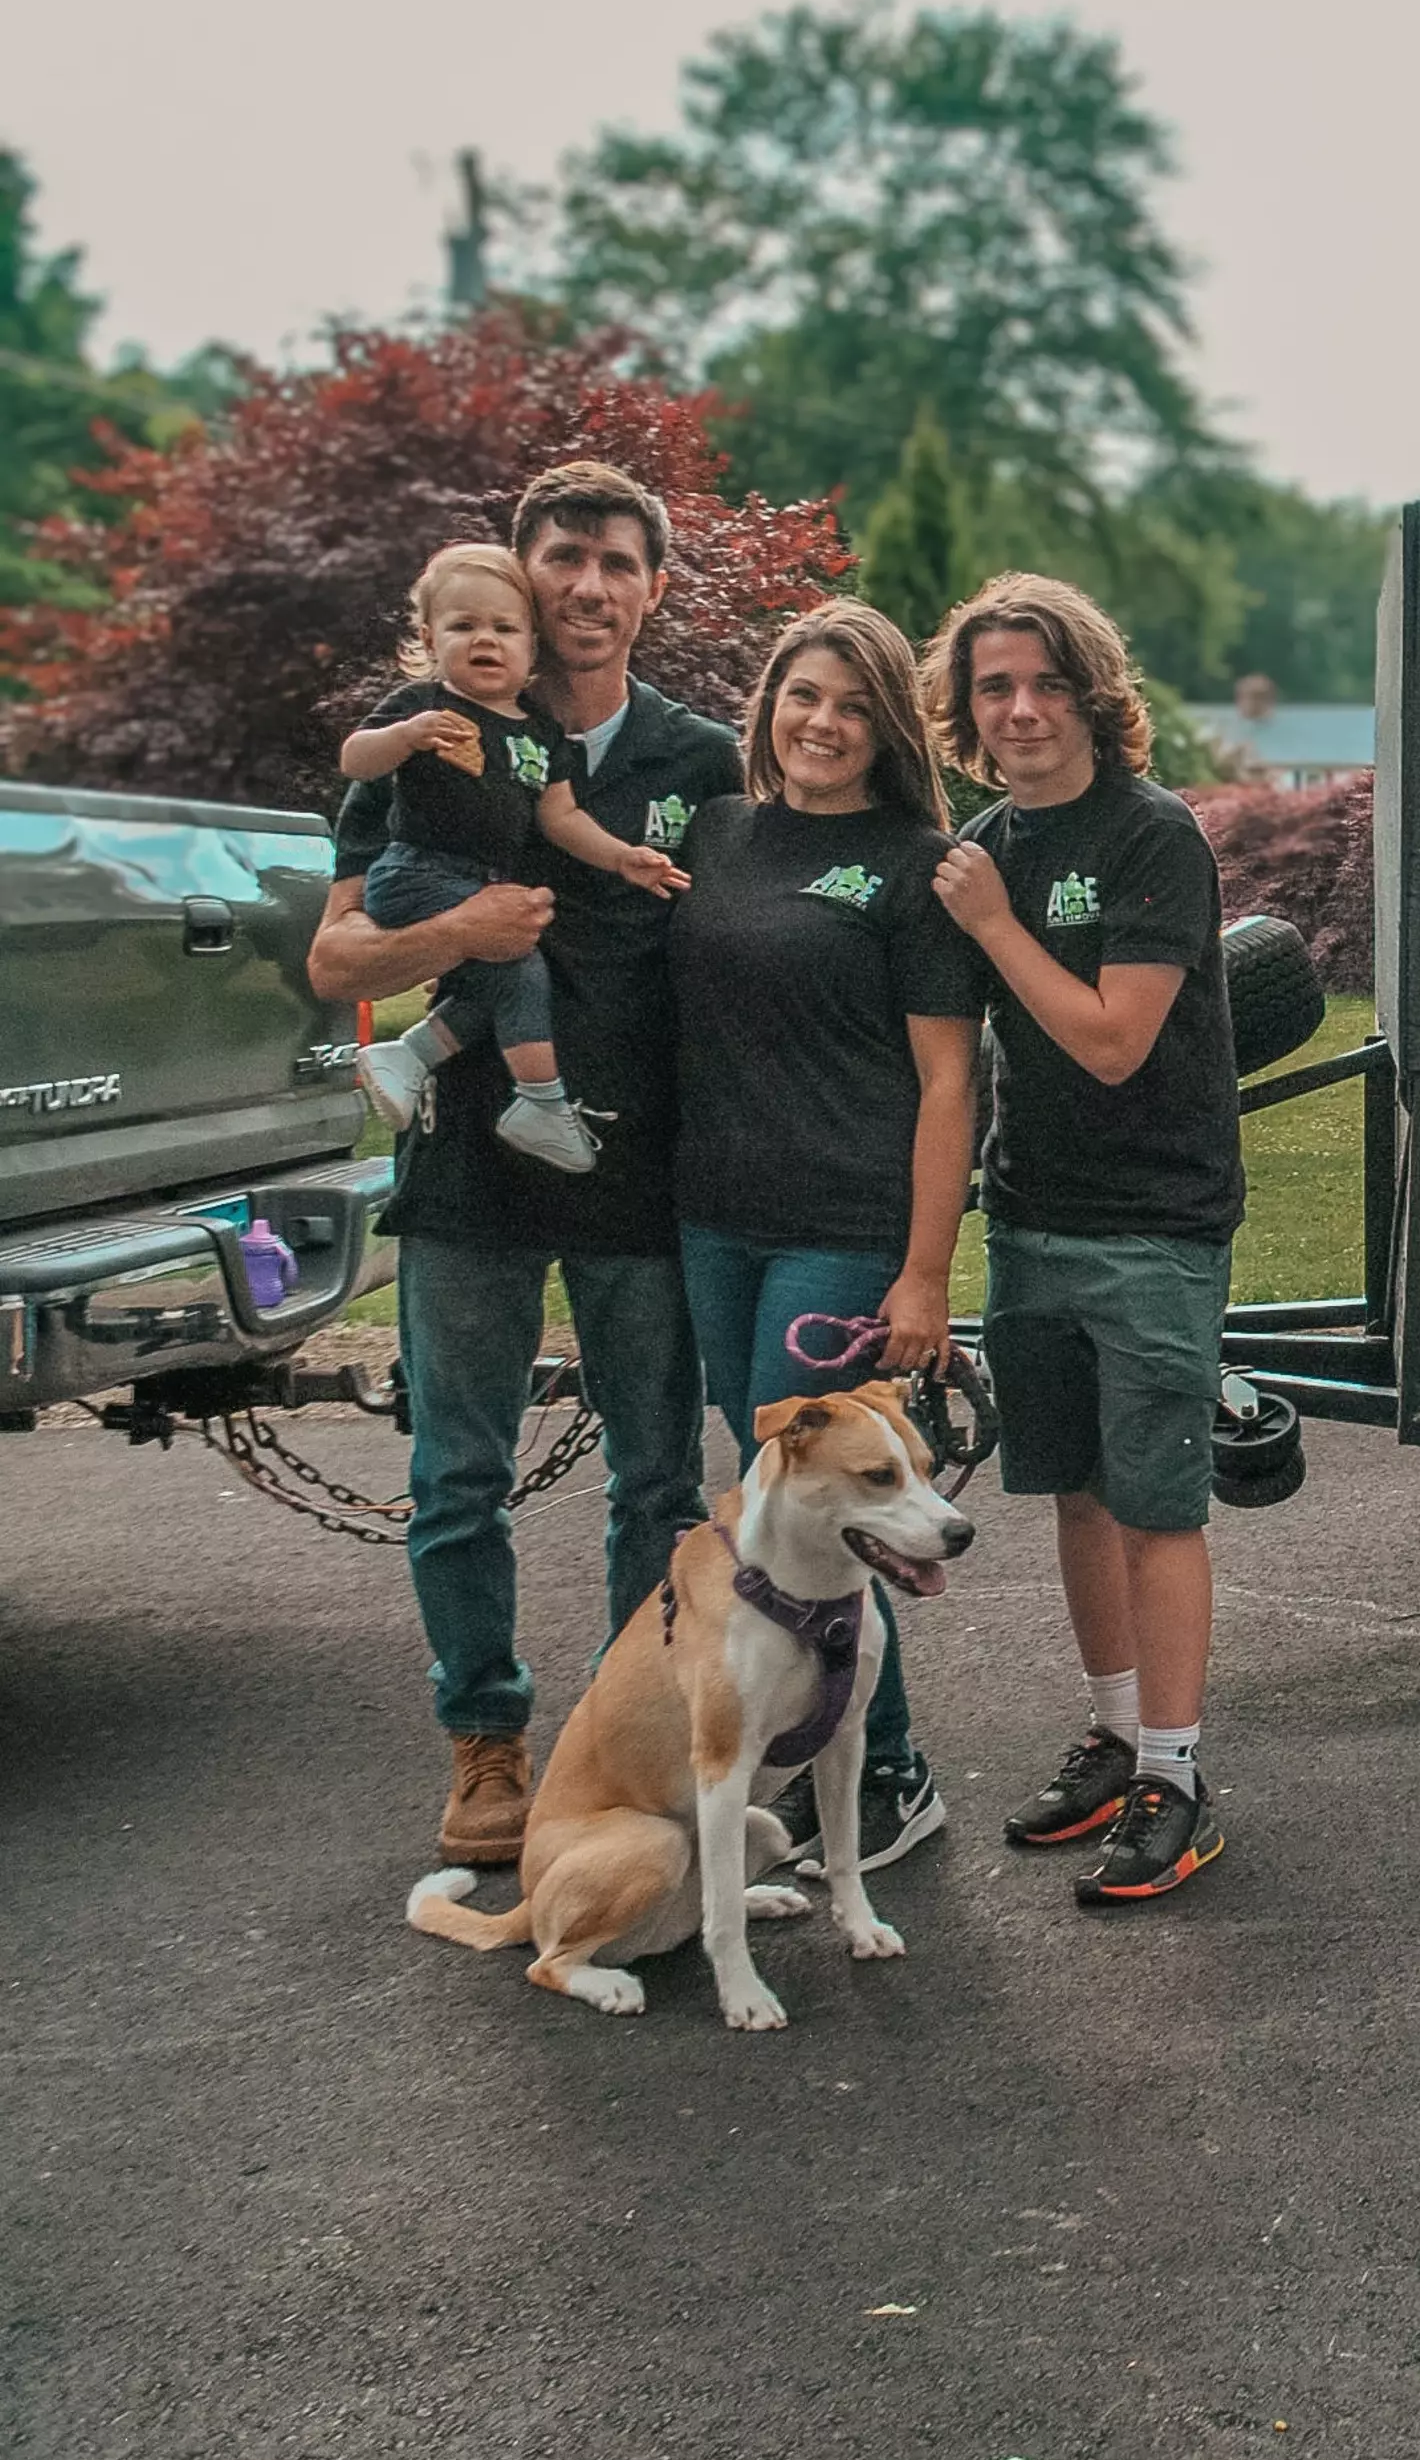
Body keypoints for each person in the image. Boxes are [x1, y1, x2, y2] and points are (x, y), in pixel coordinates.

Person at [310, 462, 732, 1869]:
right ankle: (486, 1741)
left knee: (656, 1483)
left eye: (621, 562)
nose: (591, 585)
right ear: (519, 572)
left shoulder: (704, 760)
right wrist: (465, 931)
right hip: (471, 1178)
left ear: (655, 588)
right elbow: (335, 958)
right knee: (457, 1475)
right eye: (565, 557)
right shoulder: (431, 731)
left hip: (637, 1171)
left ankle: (630, 1731)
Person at [925, 572, 1245, 1907]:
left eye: (1047, 682)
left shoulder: (1149, 834)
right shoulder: (985, 841)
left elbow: (1115, 1041)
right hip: (1035, 1215)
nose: (1022, 708)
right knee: (1074, 1490)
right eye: (994, 686)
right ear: (965, 710)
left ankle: (1177, 1772)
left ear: (1095, 696)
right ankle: (1116, 1735)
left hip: (1152, 1225)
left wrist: (994, 921)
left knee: (1160, 1504)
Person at [669, 599, 976, 1876]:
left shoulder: (916, 866)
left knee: (807, 1494)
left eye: (854, 705)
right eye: (804, 696)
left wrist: (923, 1272)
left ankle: (889, 1771)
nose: (824, 724)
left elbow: (951, 1084)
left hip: (843, 1225)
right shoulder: (719, 832)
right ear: (769, 707)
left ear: (888, 727)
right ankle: (816, 1757)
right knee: (767, 1502)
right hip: (712, 1219)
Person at [343, 542, 692, 1174]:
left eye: (504, 628)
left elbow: (560, 818)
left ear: (532, 644)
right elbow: (354, 759)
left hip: (479, 879)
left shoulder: (537, 732)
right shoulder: (426, 708)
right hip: (418, 872)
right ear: (429, 636)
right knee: (521, 964)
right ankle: (541, 1099)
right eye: (463, 626)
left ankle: (410, 1055)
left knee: (497, 987)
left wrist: (622, 858)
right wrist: (405, 738)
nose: (485, 640)